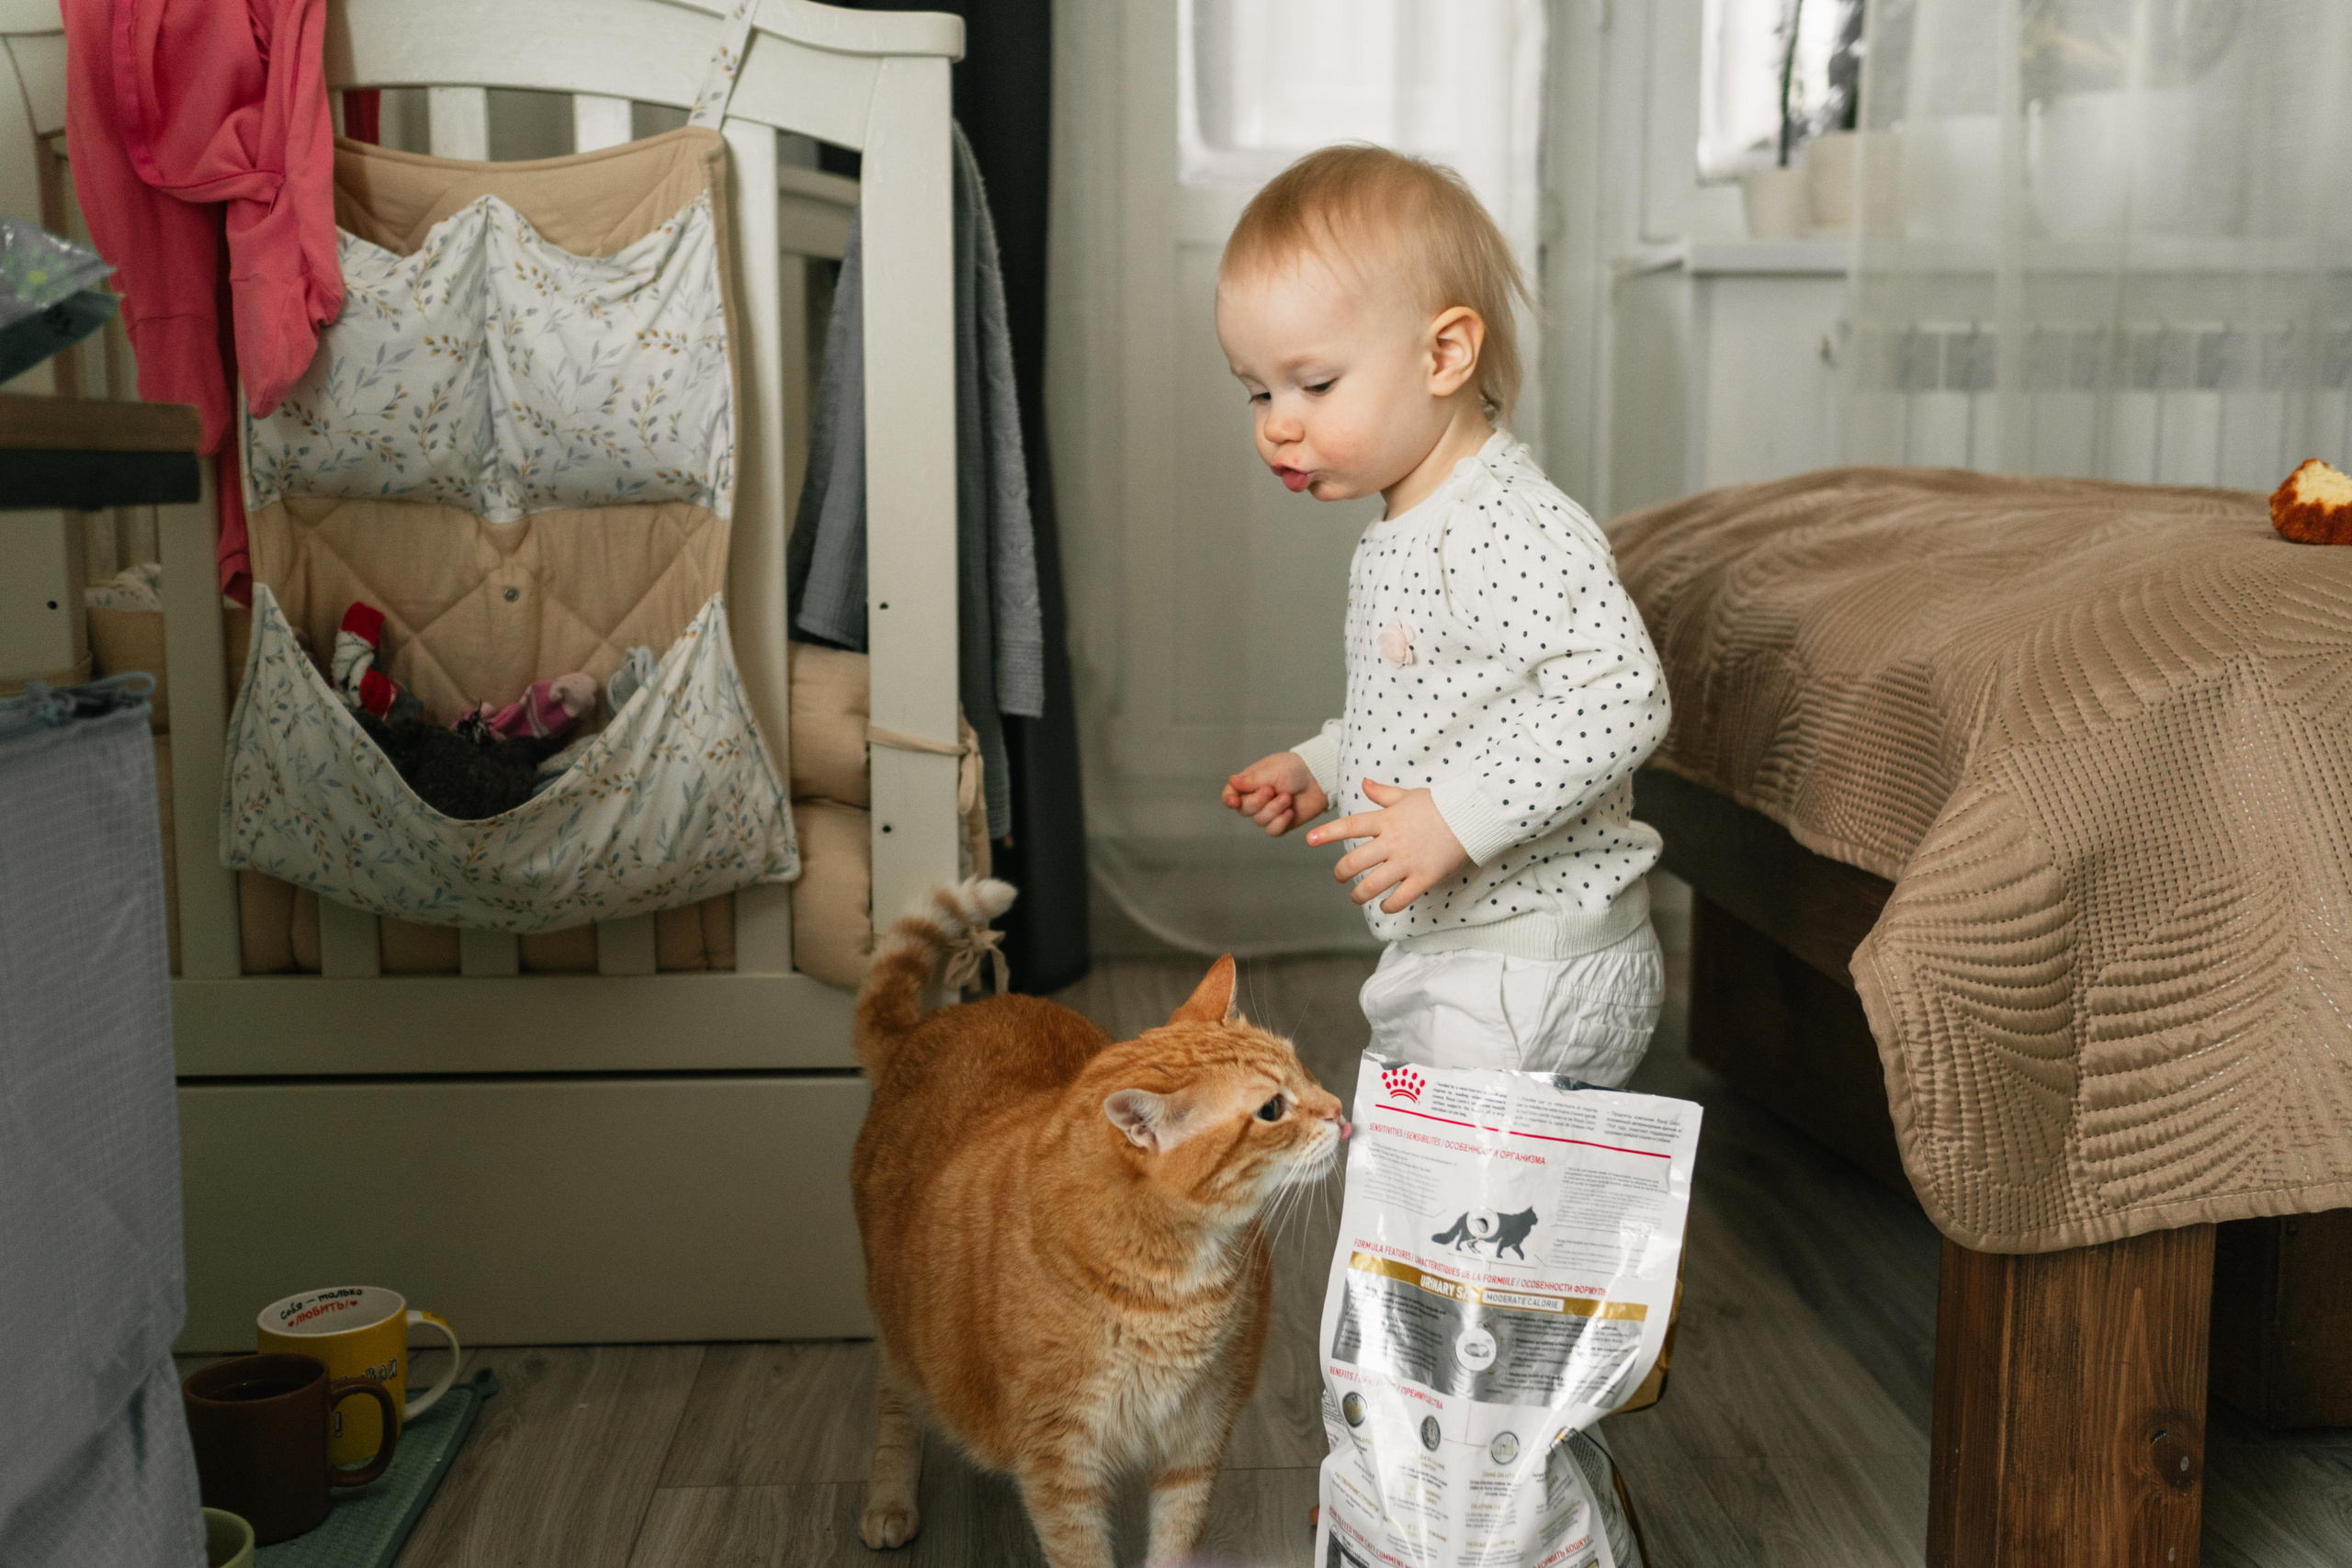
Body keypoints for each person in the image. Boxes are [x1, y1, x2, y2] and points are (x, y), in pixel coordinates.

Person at [1216, 144, 1671, 1086]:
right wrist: (1325, 764)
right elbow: (1449, 710)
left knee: (1468, 1219)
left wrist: (1452, 821)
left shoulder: (1505, 521)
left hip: (1529, 958)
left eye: (1315, 384)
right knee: (1424, 1207)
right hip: (1465, 949)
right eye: (1259, 391)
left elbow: (1623, 697)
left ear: (1444, 354)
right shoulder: (1414, 525)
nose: (1276, 424)